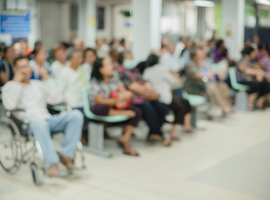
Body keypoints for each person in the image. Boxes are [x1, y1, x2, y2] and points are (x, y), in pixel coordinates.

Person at [2, 55, 83, 177]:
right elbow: (9, 105)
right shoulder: (10, 86)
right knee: (38, 121)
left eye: (27, 66)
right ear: (15, 70)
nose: (25, 70)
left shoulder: (37, 84)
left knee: (76, 115)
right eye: (21, 68)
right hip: (29, 123)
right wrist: (16, 82)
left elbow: (57, 99)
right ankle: (52, 163)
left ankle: (66, 155)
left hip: (48, 119)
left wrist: (47, 78)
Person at [89, 57, 142, 156]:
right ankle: (122, 114)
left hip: (115, 105)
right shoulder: (95, 81)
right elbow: (100, 101)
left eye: (111, 64)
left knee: (137, 111)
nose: (111, 67)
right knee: (99, 108)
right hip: (104, 106)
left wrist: (125, 95)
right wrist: (118, 100)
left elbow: (123, 91)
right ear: (101, 69)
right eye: (108, 65)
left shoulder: (114, 76)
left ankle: (125, 139)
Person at [117, 51, 171, 146]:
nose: (130, 60)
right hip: (133, 100)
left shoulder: (134, 71)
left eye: (131, 58)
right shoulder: (120, 72)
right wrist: (146, 90)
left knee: (162, 108)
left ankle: (153, 133)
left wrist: (147, 86)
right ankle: (160, 135)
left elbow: (144, 81)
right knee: (150, 111)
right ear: (122, 60)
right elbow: (132, 86)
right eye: (128, 58)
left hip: (144, 97)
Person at [143, 54, 193, 140]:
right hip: (163, 97)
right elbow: (174, 81)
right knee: (181, 107)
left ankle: (186, 125)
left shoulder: (147, 70)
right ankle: (174, 131)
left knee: (185, 101)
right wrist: (175, 76)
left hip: (156, 96)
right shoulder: (161, 69)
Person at [185, 47, 232, 115]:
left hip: (204, 84)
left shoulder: (201, 63)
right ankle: (223, 106)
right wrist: (208, 75)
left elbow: (209, 70)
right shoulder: (190, 64)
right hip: (195, 87)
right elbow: (196, 75)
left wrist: (217, 72)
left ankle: (225, 104)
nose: (201, 55)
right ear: (194, 56)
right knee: (211, 87)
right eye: (199, 54)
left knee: (223, 86)